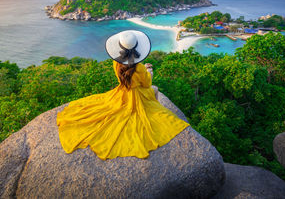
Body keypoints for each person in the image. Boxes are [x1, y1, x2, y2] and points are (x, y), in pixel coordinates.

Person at [56, 30, 190, 160]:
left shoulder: (116, 62)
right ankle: (155, 109)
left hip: (121, 93)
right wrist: (149, 71)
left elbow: (126, 76)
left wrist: (142, 70)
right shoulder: (139, 68)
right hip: (136, 96)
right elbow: (146, 84)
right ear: (136, 48)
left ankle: (154, 109)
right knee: (155, 89)